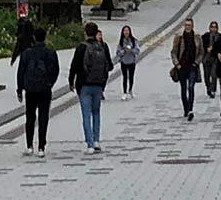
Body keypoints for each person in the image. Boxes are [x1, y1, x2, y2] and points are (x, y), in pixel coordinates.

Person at [68, 22, 112, 153]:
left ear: (86, 32)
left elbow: (74, 66)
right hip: (98, 84)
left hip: (84, 84)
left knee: (86, 114)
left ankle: (90, 143)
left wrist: (71, 81)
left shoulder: (81, 47)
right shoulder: (102, 46)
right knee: (96, 112)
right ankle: (97, 139)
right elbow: (108, 66)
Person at [16, 27, 59, 157]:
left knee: (30, 117)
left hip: (30, 89)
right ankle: (41, 147)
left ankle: (29, 145)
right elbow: (55, 70)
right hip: (45, 89)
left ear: (34, 37)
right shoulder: (50, 53)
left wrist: (20, 88)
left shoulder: (27, 53)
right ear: (45, 37)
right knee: (43, 117)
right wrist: (50, 83)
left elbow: (21, 72)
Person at [171, 18, 203, 121]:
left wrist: (196, 62)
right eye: (186, 25)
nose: (187, 27)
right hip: (182, 67)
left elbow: (201, 52)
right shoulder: (179, 37)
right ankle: (186, 108)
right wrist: (177, 64)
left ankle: (190, 110)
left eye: (189, 25)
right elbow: (173, 52)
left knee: (191, 87)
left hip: (192, 66)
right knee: (183, 89)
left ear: (192, 26)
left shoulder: (197, 37)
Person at [116, 25, 140, 99]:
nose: (126, 32)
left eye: (127, 30)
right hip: (124, 61)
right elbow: (118, 52)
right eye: (125, 31)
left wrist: (131, 51)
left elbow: (137, 50)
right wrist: (124, 51)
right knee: (125, 77)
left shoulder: (133, 40)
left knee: (131, 76)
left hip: (131, 61)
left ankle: (130, 90)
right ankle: (124, 92)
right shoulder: (121, 41)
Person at [200, 21, 221, 99]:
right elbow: (201, 47)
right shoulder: (205, 36)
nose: (213, 29)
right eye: (212, 27)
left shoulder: (220, 37)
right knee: (206, 75)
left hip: (215, 59)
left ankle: (213, 90)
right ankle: (208, 87)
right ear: (209, 28)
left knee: (214, 74)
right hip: (206, 58)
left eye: (215, 27)